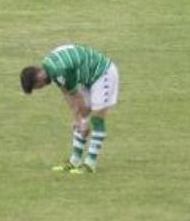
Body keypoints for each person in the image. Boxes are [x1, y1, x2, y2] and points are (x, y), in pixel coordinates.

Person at [20, 44, 119, 174]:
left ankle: (90, 164)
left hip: (103, 74)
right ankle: (75, 161)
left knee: (96, 118)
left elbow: (77, 99)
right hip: (87, 77)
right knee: (79, 119)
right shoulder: (49, 67)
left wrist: (83, 121)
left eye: (38, 87)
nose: (42, 88)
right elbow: (67, 94)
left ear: (39, 79)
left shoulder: (59, 70)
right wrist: (77, 119)